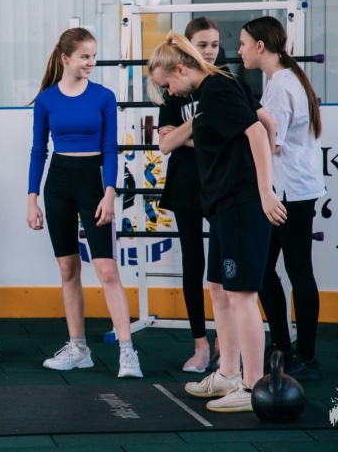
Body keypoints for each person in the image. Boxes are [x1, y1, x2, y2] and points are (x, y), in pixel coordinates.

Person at [147, 32, 286, 413]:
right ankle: (227, 372)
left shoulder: (217, 90)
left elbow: (256, 131)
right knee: (219, 288)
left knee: (241, 295)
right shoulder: (218, 86)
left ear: (180, 69)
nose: (170, 93)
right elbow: (267, 121)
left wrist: (265, 189)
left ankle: (252, 384)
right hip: (225, 204)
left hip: (242, 203)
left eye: (168, 84)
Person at [27, 28, 143, 379]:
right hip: (58, 184)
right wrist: (32, 199)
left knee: (107, 270)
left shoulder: (104, 97)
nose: (91, 62)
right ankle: (78, 349)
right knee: (68, 270)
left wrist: (110, 192)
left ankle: (127, 352)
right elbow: (38, 151)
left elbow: (110, 148)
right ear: (66, 58)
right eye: (85, 56)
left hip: (94, 184)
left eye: (93, 55)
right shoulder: (46, 100)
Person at [240, 16, 325, 382]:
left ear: (260, 46)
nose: (239, 50)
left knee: (295, 271)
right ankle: (286, 348)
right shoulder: (288, 79)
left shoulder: (280, 85)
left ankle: (304, 356)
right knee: (266, 269)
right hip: (292, 189)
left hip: (289, 192)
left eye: (243, 44)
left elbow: (270, 143)